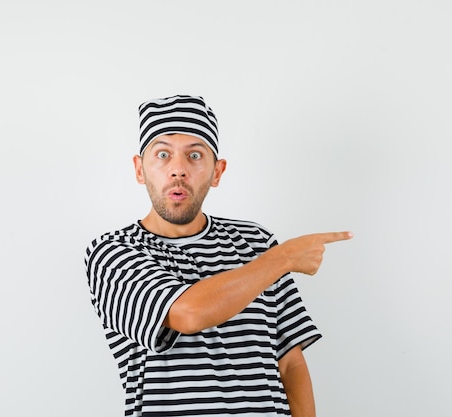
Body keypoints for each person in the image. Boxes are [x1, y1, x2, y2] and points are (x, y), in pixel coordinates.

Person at [84, 95, 353, 417]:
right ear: (140, 169)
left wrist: (276, 256)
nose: (178, 170)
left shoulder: (256, 242)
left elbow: (290, 360)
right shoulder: (113, 252)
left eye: (195, 155)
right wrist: (283, 259)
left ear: (217, 171)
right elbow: (188, 314)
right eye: (163, 155)